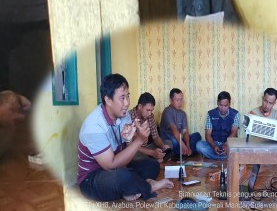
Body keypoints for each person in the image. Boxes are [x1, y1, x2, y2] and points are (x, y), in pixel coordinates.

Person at [76, 74, 172, 202]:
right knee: (123, 176)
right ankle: (149, 187)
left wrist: (128, 141)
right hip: (92, 179)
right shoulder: (94, 125)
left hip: (117, 169)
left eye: (128, 96)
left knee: (152, 165)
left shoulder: (124, 115)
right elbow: (110, 166)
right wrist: (139, 140)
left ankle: (130, 189)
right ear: (108, 100)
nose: (127, 103)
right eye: (122, 98)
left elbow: (125, 158)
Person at [196, 91, 239, 160]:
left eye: (225, 106)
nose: (223, 108)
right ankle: (225, 157)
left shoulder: (235, 114)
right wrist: (213, 146)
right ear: (217, 103)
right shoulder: (211, 114)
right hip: (214, 143)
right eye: (220, 105)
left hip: (228, 143)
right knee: (199, 145)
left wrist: (226, 144)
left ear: (229, 104)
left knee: (238, 148)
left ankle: (217, 156)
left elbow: (234, 132)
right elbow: (207, 134)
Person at [126, 93, 167, 162]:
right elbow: (133, 145)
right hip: (135, 149)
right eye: (147, 110)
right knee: (135, 156)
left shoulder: (150, 116)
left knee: (168, 143)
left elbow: (155, 136)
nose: (150, 113)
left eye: (151, 110)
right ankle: (152, 159)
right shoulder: (129, 117)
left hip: (147, 147)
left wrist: (163, 147)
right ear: (140, 106)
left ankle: (153, 158)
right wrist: (152, 153)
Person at [160, 88, 196, 159]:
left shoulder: (183, 114)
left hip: (179, 139)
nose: (180, 102)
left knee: (196, 136)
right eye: (177, 100)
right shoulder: (167, 111)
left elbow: (185, 132)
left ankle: (181, 152)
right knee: (175, 141)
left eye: (181, 99)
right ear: (171, 100)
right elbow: (174, 130)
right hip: (169, 140)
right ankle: (181, 152)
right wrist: (183, 146)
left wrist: (188, 146)